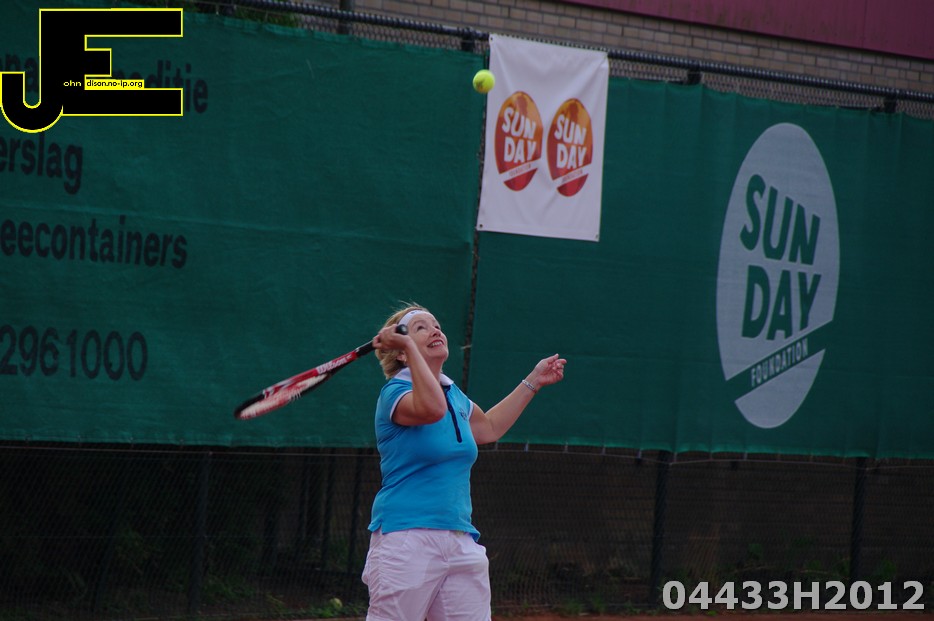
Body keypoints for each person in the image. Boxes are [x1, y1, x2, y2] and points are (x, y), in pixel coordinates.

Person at [361, 304, 567, 621]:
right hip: (407, 537)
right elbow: (431, 409)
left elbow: (489, 428)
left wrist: (533, 381)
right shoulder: (395, 392)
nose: (435, 330)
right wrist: (408, 348)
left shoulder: (453, 394)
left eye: (436, 324)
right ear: (401, 352)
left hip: (460, 539)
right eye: (420, 328)